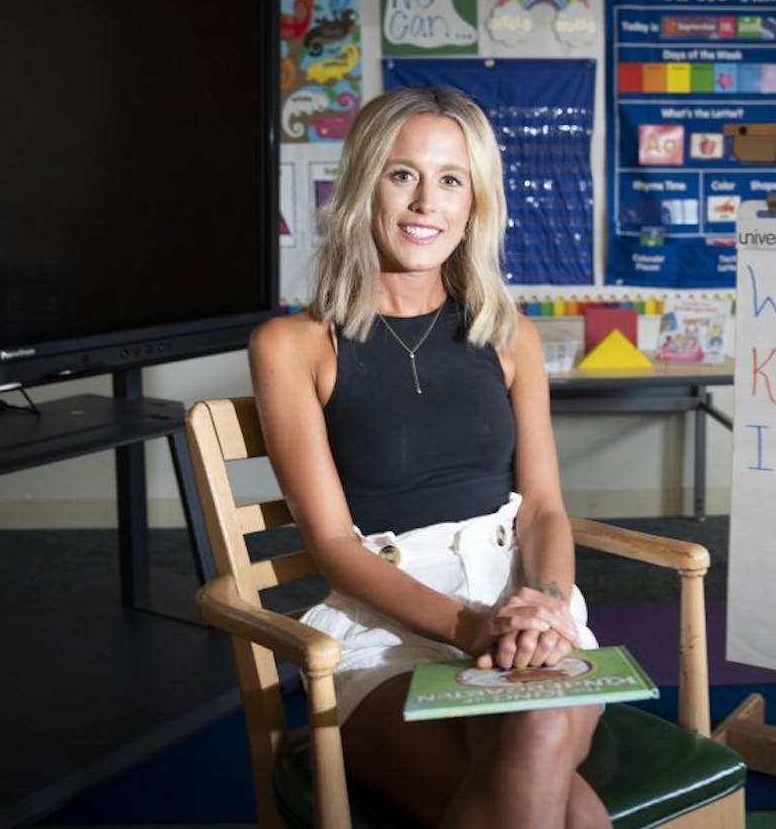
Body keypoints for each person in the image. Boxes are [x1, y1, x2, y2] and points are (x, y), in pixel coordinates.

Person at [248, 86, 610, 829]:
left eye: (452, 179)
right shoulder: (292, 346)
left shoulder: (511, 335)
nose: (426, 203)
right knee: (569, 806)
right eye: (402, 173)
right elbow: (333, 546)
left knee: (538, 730)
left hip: (522, 602)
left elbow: (542, 507)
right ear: (362, 184)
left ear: (475, 203)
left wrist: (542, 603)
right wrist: (470, 627)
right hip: (384, 625)